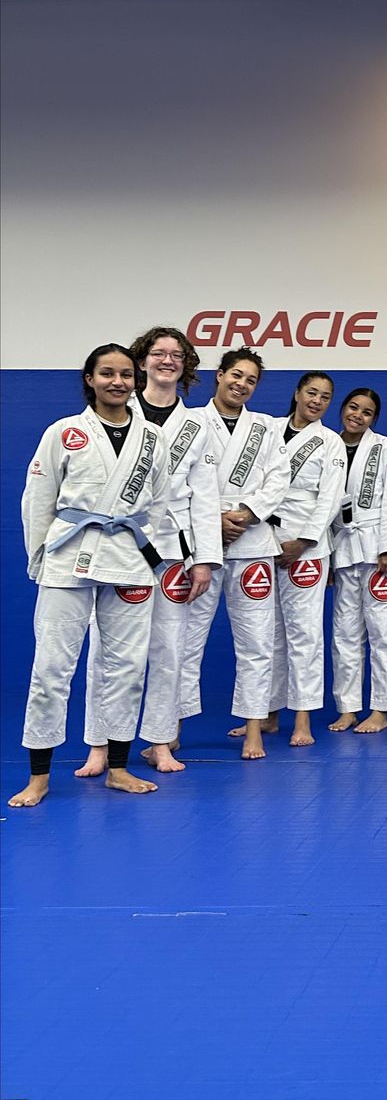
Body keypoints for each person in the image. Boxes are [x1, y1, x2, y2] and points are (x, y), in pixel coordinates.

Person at [9, 344, 168, 809]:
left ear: (136, 380)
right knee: (51, 670)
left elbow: (159, 503)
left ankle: (117, 767)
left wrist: (147, 549)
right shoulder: (64, 431)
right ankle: (39, 776)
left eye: (126, 374)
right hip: (68, 555)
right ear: (89, 379)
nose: (117, 382)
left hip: (127, 557)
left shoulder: (152, 438)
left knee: (127, 667)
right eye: (107, 373)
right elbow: (38, 498)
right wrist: (39, 556)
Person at [77, 325, 222, 777]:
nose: (167, 360)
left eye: (177, 355)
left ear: (186, 366)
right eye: (158, 353)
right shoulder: (118, 412)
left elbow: (206, 496)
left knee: (169, 649)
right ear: (141, 362)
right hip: (120, 546)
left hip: (173, 550)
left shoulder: (198, 425)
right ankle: (100, 745)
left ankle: (160, 741)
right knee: (107, 650)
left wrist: (205, 559)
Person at [179, 348, 288, 761]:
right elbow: (176, 479)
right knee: (185, 639)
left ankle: (254, 729)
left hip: (252, 539)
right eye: (236, 375)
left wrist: (246, 513)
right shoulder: (190, 420)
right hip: (202, 544)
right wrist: (212, 520)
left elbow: (279, 478)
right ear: (220, 375)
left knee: (257, 641)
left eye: (251, 380)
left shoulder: (265, 427)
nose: (241, 384)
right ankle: (171, 728)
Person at [258, 372, 346, 747]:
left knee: (304, 633)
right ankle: (267, 714)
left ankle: (303, 718)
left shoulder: (331, 442)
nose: (316, 401)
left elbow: (330, 498)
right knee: (266, 632)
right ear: (297, 393)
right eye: (311, 392)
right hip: (261, 537)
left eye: (325, 397)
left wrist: (305, 541)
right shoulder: (269, 430)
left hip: (305, 544)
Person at [329, 388, 387, 734]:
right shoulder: (330, 445)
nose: (357, 415)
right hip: (343, 546)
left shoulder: (383, 447)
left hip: (379, 550)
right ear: (342, 409)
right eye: (353, 407)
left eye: (366, 412)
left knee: (385, 631)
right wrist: (327, 555)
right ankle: (348, 707)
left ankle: (381, 708)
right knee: (344, 632)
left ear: (373, 419)